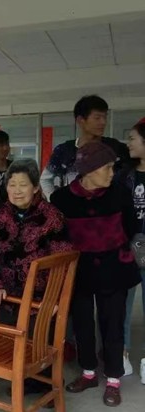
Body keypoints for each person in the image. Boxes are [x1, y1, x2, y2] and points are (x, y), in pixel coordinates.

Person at [51, 141, 141, 407]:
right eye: (107, 168)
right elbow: (59, 237)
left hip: (115, 267)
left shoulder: (119, 194)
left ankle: (113, 379)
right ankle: (88, 372)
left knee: (113, 324)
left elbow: (131, 228)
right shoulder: (61, 199)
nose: (112, 173)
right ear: (88, 170)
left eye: (113, 167)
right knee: (82, 323)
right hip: (79, 270)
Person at [0, 159, 73, 405]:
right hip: (9, 296)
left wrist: (54, 298)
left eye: (23, 184)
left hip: (40, 298)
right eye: (12, 185)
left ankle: (47, 384)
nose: (17, 190)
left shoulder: (51, 216)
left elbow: (62, 260)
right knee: (12, 345)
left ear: (35, 187)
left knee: (40, 346)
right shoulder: (1, 214)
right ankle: (25, 380)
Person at [41, 95, 130, 200]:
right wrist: (56, 201)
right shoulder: (64, 150)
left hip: (108, 208)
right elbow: (45, 179)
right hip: (73, 208)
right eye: (97, 118)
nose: (103, 122)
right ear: (80, 120)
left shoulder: (115, 147)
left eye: (105, 117)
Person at [119, 119, 145, 376]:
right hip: (126, 247)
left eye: (133, 139)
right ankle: (122, 353)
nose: (128, 143)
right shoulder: (125, 175)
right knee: (123, 304)